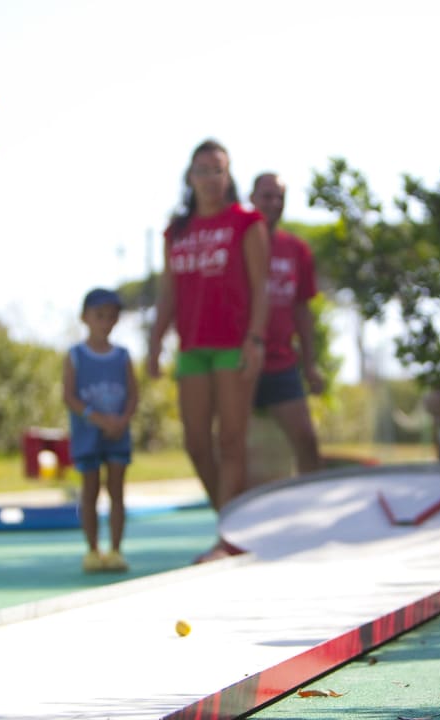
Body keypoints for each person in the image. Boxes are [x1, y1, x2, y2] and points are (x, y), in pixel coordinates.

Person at [147, 139, 270, 562]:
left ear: (228, 176)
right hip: (193, 346)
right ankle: (234, 525)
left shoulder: (246, 222)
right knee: (197, 443)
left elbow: (261, 287)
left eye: (219, 170)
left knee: (232, 441)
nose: (211, 178)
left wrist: (256, 338)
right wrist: (154, 339)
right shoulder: (175, 231)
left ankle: (226, 538)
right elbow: (168, 290)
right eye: (203, 170)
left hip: (233, 344)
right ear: (190, 176)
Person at [247, 172, 322, 475]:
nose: (274, 202)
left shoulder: (296, 250)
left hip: (281, 364)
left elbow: (302, 309)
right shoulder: (236, 243)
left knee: (307, 442)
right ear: (251, 199)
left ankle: (309, 514)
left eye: (280, 197)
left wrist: (310, 364)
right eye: (267, 195)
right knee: (231, 448)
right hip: (242, 363)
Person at [63, 287, 138, 573]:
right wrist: (97, 418)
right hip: (88, 436)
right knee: (89, 492)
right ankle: (93, 550)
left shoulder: (123, 355)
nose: (105, 322)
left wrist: (121, 421)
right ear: (85, 317)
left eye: (111, 317)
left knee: (117, 491)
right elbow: (69, 396)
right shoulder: (75, 355)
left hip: (118, 435)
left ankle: (116, 550)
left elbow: (133, 394)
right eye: (99, 315)